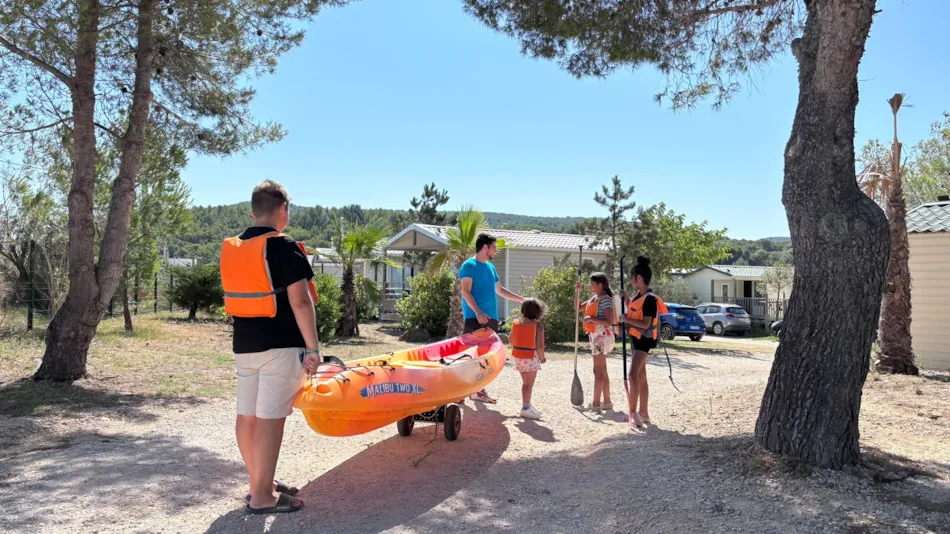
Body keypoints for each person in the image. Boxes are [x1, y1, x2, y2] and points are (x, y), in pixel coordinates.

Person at [220, 180, 322, 514]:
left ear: (253, 212)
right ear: (283, 211)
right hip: (281, 346)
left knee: (247, 416)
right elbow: (301, 302)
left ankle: (259, 483)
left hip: (244, 346)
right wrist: (313, 349)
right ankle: (263, 496)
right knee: (270, 419)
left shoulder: (235, 247)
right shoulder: (284, 247)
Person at [459, 232, 524, 403]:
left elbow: (500, 290)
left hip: (491, 318)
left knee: (486, 356)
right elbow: (466, 291)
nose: (495, 251)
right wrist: (478, 312)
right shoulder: (469, 266)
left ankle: (477, 390)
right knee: (471, 355)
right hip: (475, 318)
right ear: (485, 247)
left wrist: (521, 300)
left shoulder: (490, 268)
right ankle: (464, 391)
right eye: (493, 247)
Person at [618, 256, 667, 430]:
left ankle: (633, 413)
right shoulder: (639, 296)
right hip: (635, 338)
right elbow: (634, 309)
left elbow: (645, 323)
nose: (631, 282)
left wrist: (625, 319)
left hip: (643, 340)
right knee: (641, 376)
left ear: (638, 278)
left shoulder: (650, 299)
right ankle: (644, 413)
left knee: (632, 375)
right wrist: (626, 299)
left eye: (632, 279)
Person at [577, 272, 616, 413]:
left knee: (598, 370)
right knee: (602, 369)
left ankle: (595, 403)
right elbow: (578, 308)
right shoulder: (594, 299)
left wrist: (591, 319)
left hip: (601, 336)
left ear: (600, 285)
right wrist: (577, 293)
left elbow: (608, 321)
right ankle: (607, 401)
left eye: (592, 284)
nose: (590, 286)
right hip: (595, 335)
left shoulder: (605, 300)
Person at [509, 298, 547, 419]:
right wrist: (542, 358)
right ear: (538, 312)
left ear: (523, 311)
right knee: (529, 384)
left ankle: (527, 405)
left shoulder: (516, 323)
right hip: (531, 357)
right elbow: (540, 345)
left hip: (519, 356)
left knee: (525, 383)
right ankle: (525, 408)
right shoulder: (538, 326)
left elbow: (510, 339)